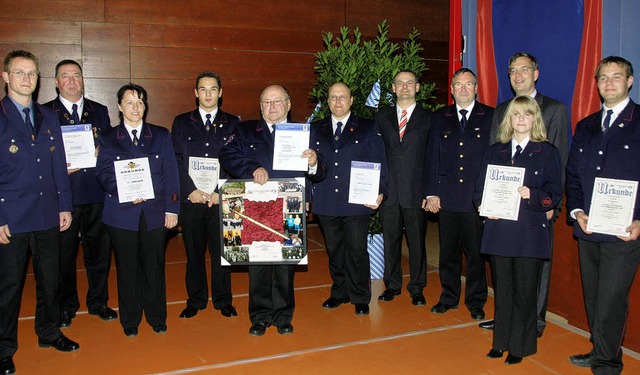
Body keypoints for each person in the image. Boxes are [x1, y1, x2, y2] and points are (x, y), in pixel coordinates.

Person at [219, 85, 326, 336]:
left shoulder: (305, 132)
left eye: (277, 101)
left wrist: (313, 163)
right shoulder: (245, 130)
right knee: (258, 262)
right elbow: (227, 154)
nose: (272, 106)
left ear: (288, 104)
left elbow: (321, 173)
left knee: (285, 263)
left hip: (290, 206)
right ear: (260, 106)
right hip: (255, 208)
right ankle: (259, 316)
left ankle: (283, 315)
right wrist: (252, 167)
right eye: (266, 102)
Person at [0, 50, 80, 375]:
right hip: (12, 218)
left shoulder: (48, 117)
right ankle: (4, 348)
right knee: (9, 285)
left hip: (48, 213)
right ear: (6, 77)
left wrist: (65, 205)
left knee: (51, 279)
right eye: (19, 73)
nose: (27, 79)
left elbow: (58, 164)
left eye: (32, 73)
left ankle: (49, 331)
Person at [481, 52, 569, 335]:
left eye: (524, 69)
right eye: (512, 70)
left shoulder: (554, 109)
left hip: (536, 205)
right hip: (504, 205)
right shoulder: (501, 109)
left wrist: (551, 204)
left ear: (536, 73)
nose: (517, 75)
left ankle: (534, 321)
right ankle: (504, 317)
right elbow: (494, 158)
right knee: (504, 265)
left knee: (537, 266)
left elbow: (560, 161)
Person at [566, 56, 640, 374]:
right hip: (589, 228)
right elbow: (574, 175)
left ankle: (608, 363)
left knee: (611, 299)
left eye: (616, 76)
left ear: (630, 81)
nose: (608, 83)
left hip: (624, 231)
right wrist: (578, 210)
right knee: (595, 296)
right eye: (603, 78)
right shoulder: (586, 126)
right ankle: (600, 349)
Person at [476, 95, 562, 365]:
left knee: (525, 293)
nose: (521, 119)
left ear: (535, 119)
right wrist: (483, 205)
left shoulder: (547, 152)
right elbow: (479, 189)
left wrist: (533, 195)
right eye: (516, 115)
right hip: (499, 230)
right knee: (502, 291)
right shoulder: (494, 151)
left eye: (527, 114)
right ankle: (500, 342)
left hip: (529, 233)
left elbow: (555, 194)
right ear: (509, 120)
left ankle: (520, 346)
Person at [95, 83, 180, 337]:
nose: (136, 107)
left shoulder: (161, 135)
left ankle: (156, 317)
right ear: (119, 107)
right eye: (130, 102)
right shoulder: (109, 138)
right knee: (127, 267)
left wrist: (172, 208)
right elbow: (103, 173)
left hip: (155, 213)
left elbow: (171, 174)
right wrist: (124, 191)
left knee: (154, 266)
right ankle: (130, 320)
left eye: (140, 102)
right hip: (121, 214)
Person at [44, 59, 117, 328]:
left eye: (76, 75)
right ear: (55, 82)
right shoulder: (45, 113)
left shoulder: (99, 110)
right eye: (65, 76)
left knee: (99, 252)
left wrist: (102, 153)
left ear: (83, 79)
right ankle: (66, 306)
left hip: (97, 193)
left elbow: (110, 146)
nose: (72, 81)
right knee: (64, 255)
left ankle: (98, 301)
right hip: (64, 197)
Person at [312, 82, 387, 316]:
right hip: (326, 200)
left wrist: (381, 190)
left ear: (352, 100)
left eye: (342, 97)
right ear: (327, 100)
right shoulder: (315, 128)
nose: (338, 101)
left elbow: (380, 162)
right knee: (334, 251)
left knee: (356, 250)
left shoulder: (367, 127)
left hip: (357, 201)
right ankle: (339, 292)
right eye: (333, 97)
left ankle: (360, 296)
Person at [425, 68, 492, 319]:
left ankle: (476, 301)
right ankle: (449, 296)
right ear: (451, 90)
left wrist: (489, 195)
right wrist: (431, 192)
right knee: (448, 253)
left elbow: (494, 159)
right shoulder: (440, 117)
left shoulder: (490, 116)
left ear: (476, 88)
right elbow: (432, 156)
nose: (463, 89)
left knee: (476, 254)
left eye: (468, 85)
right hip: (447, 197)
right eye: (458, 85)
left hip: (477, 198)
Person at [172, 71, 239, 319]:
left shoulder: (234, 123)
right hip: (192, 200)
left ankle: (223, 300)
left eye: (213, 89)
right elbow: (176, 160)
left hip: (220, 200)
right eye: (203, 89)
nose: (208, 93)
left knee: (223, 252)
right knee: (194, 252)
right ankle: (196, 299)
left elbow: (236, 162)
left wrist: (221, 193)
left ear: (220, 93)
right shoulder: (181, 122)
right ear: (195, 93)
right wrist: (190, 191)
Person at [376, 70, 430, 306]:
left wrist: (430, 192)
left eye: (410, 83)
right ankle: (393, 285)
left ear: (418, 87)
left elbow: (432, 158)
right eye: (400, 83)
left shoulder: (430, 118)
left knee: (417, 243)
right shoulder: (381, 117)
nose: (405, 87)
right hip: (389, 192)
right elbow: (376, 155)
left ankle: (417, 287)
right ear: (393, 87)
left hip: (416, 193)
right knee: (391, 242)